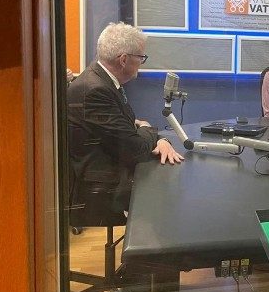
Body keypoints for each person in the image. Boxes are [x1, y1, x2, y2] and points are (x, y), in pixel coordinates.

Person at [68, 22, 183, 220]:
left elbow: (127, 128)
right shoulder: (96, 90)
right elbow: (134, 149)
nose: (142, 62)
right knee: (176, 192)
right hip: (103, 186)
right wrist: (152, 132)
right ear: (123, 59)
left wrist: (150, 135)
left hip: (107, 169)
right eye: (141, 57)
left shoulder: (101, 80)